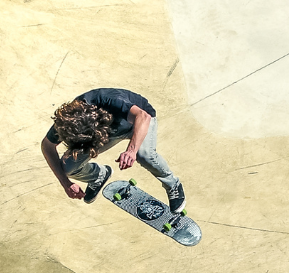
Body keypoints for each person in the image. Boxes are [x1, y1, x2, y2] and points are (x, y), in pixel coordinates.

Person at [40, 88, 186, 212]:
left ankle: (173, 184)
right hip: (107, 132)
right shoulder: (68, 121)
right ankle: (98, 176)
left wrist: (131, 150)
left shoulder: (109, 100)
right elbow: (47, 146)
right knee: (67, 167)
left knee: (144, 155)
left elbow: (143, 116)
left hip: (138, 123)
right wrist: (65, 183)